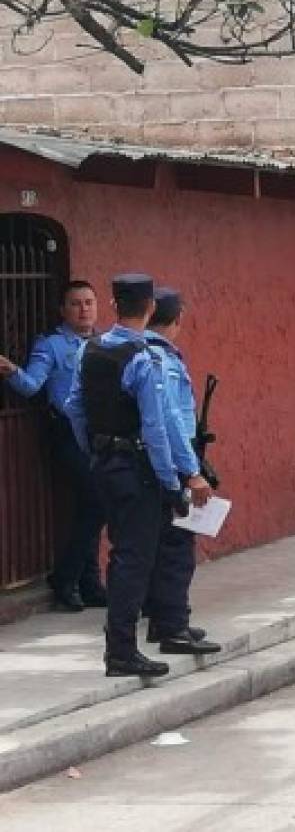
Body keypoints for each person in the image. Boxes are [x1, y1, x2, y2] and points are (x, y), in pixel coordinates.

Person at [64, 274, 209, 678]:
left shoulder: (89, 350)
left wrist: (94, 448)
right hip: (137, 468)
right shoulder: (144, 357)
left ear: (112, 305)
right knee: (133, 558)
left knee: (123, 552)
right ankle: (121, 650)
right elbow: (157, 426)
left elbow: (74, 406)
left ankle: (124, 646)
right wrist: (175, 479)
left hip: (105, 463)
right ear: (149, 308)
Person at [0, 281, 107, 611]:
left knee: (91, 506)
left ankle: (89, 583)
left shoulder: (105, 342)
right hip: (66, 434)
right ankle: (66, 577)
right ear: (63, 310)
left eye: (89, 302)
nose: (84, 309)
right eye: (76, 304)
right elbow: (32, 386)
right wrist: (10, 370)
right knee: (97, 501)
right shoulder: (52, 345)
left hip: (98, 435)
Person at [143, 288, 220, 655]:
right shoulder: (162, 360)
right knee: (176, 548)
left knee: (157, 546)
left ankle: (165, 620)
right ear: (176, 321)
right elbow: (169, 419)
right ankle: (173, 627)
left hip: (147, 463)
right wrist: (190, 470)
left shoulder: (129, 351)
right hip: (172, 464)